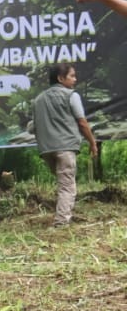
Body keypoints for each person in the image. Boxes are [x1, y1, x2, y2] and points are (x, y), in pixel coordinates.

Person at [32, 64, 98, 228]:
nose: (75, 79)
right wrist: (92, 142)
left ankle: (63, 214)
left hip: (46, 150)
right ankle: (61, 222)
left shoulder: (38, 99)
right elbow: (82, 122)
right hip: (65, 147)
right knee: (67, 186)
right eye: (72, 76)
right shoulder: (71, 96)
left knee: (63, 183)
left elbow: (33, 126)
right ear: (61, 78)